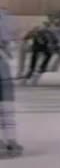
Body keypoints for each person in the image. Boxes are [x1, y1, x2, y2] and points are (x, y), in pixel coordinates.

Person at [0, 8, 23, 157]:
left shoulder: (4, 16)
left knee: (7, 107)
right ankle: (10, 139)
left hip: (2, 69)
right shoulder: (5, 16)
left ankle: (10, 139)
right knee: (7, 107)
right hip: (3, 69)